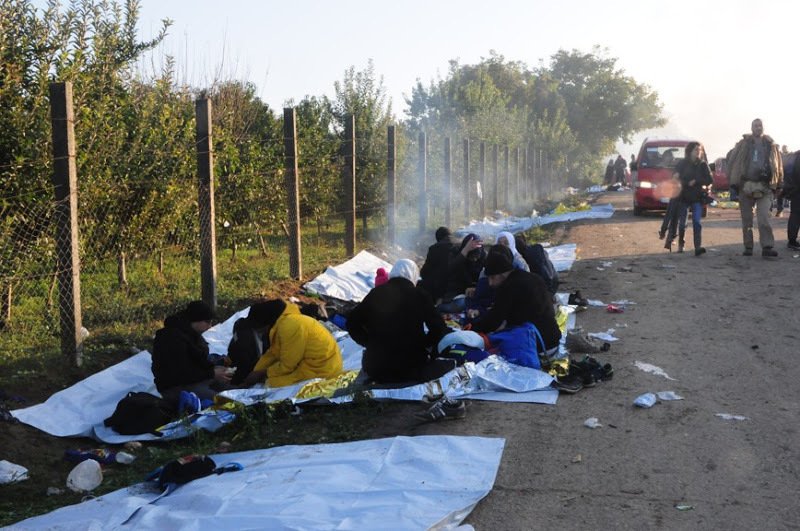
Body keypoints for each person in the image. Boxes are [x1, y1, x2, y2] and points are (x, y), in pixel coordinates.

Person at [347, 259, 454, 384]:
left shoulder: (377, 293)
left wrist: (368, 342)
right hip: (410, 367)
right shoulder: (419, 295)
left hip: (376, 368)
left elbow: (352, 323)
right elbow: (439, 328)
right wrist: (424, 343)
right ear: (413, 276)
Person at [470, 246, 562, 356]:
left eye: (492, 278)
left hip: (536, 347)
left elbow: (493, 321)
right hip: (554, 341)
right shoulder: (533, 277)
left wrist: (472, 330)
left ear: (502, 274)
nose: (490, 283)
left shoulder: (509, 287)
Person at [240, 299, 343, 388]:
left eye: (258, 329)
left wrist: (261, 374)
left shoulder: (289, 327)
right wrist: (255, 371)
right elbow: (272, 354)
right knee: (268, 379)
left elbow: (287, 366)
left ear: (265, 324)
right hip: (312, 364)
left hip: (321, 370)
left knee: (269, 385)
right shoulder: (283, 322)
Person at [151, 300, 232, 407]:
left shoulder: (191, 333)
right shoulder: (173, 339)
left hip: (196, 380)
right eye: (207, 321)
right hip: (176, 387)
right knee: (226, 403)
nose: (210, 326)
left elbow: (197, 361)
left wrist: (214, 368)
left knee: (234, 393)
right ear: (196, 320)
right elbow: (180, 374)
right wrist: (211, 373)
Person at [727, 118, 784, 257]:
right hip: (745, 185)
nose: (758, 128)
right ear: (751, 128)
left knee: (764, 218)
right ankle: (748, 247)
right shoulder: (743, 144)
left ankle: (767, 247)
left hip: (765, 186)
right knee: (747, 219)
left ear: (763, 127)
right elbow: (732, 161)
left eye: (760, 125)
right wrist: (733, 182)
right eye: (755, 126)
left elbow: (778, 166)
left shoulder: (771, 145)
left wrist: (779, 184)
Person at [665, 142, 713, 255]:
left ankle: (698, 247)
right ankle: (681, 243)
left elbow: (710, 180)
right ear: (690, 151)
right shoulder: (682, 164)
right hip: (683, 197)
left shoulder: (703, 165)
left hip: (697, 198)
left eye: (699, 150)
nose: (698, 152)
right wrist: (686, 182)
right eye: (696, 149)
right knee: (682, 224)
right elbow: (675, 179)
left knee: (697, 222)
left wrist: (697, 181)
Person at [226, 302, 272, 385]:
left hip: (237, 365)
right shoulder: (247, 339)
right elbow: (246, 366)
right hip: (244, 372)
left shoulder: (241, 323)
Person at [437, 233, 485, 313]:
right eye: (471, 256)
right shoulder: (456, 254)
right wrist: (466, 250)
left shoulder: (483, 258)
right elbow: (451, 269)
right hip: (457, 294)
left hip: (476, 294)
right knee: (462, 304)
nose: (474, 260)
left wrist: (475, 288)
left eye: (476, 257)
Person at [419, 226, 456, 302]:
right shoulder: (458, 246)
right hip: (456, 288)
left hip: (439, 289)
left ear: (438, 238)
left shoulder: (434, 249)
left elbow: (425, 272)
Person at [783, 151, 800, 250]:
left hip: (794, 190)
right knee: (796, 216)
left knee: (795, 215)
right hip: (797, 190)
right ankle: (792, 241)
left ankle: (792, 241)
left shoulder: (796, 156)